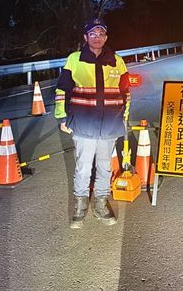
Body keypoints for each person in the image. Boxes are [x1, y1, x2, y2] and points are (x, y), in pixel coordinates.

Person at [54, 17, 131, 229]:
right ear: (86, 37)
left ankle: (100, 203)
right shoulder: (74, 59)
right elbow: (62, 90)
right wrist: (62, 116)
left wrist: (124, 118)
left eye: (101, 34)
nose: (97, 38)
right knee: (83, 166)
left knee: (105, 167)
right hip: (83, 122)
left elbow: (126, 92)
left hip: (110, 122)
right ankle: (80, 205)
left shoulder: (117, 60)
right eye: (93, 34)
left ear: (106, 37)